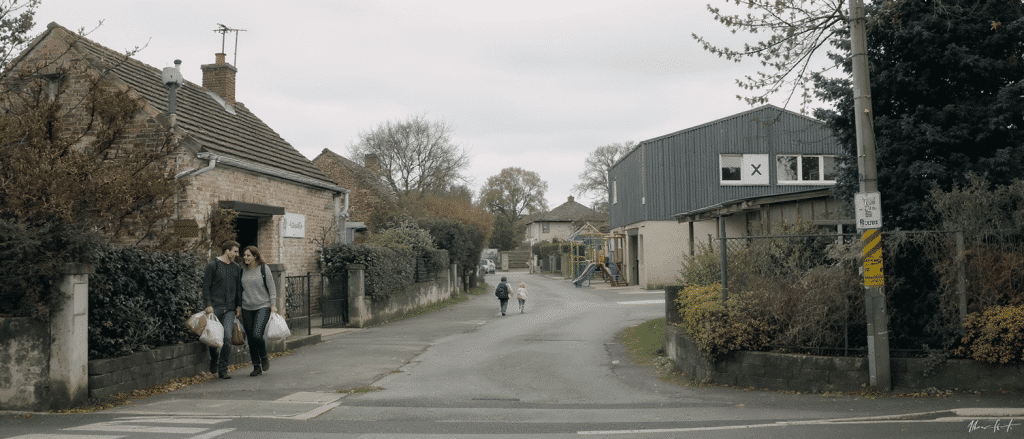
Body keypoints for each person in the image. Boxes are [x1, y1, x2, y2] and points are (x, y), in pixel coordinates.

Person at [202, 240, 243, 379]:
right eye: (235, 251)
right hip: (214, 307)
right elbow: (206, 285)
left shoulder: (236, 267)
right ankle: (214, 358)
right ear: (227, 251)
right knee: (213, 338)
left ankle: (223, 369)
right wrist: (208, 304)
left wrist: (239, 306)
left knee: (227, 338)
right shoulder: (213, 265)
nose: (237, 254)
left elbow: (238, 288)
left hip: (230, 309)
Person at [241, 246, 278, 377]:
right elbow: (240, 290)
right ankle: (256, 366)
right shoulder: (242, 270)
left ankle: (263, 356)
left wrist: (273, 304)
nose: (245, 257)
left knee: (257, 334)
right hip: (246, 307)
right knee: (250, 338)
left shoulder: (264, 269)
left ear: (255, 256)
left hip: (263, 306)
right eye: (244, 255)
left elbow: (272, 288)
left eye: (248, 255)